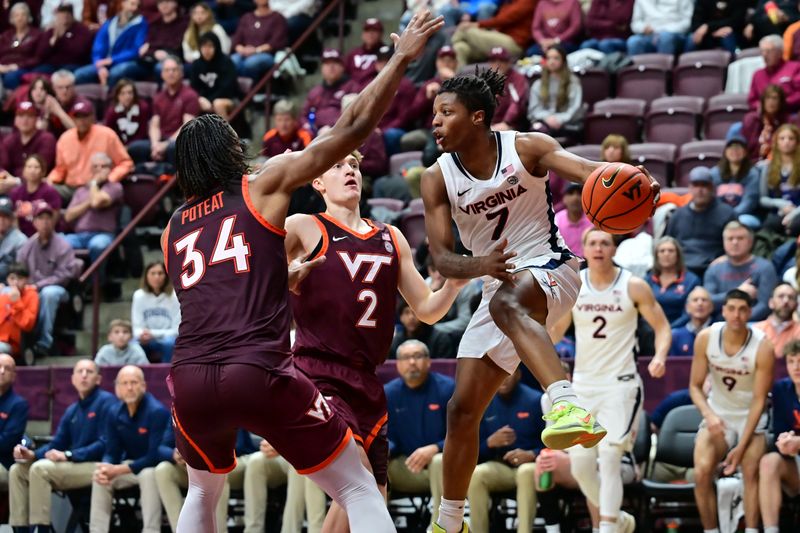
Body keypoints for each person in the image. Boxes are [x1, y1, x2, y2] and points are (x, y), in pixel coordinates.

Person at [163, 12, 442, 533]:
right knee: (359, 485)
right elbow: (352, 126)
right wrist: (400, 59)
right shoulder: (261, 187)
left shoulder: (173, 227)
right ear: (229, 152)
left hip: (190, 375)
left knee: (202, 489)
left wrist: (279, 277)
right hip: (257, 367)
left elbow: (216, 290)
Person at [421, 67, 640, 533]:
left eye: (446, 112)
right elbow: (441, 258)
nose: (435, 122)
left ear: (477, 117)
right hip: (497, 281)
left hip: (552, 269)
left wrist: (636, 184)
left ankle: (564, 402)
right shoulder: (436, 178)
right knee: (462, 411)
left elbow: (590, 173)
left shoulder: (527, 148)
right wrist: (481, 266)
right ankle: (449, 522)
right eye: (434, 114)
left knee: (506, 305)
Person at [285, 149, 466, 530]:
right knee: (359, 479)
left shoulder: (391, 236)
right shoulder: (303, 226)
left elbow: (428, 310)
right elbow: (253, 275)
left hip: (366, 378)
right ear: (317, 182)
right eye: (337, 166)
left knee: (371, 493)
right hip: (318, 372)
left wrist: (453, 284)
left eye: (354, 165)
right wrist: (281, 279)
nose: (349, 171)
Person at [551, 228, 671, 533]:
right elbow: (555, 331)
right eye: (593, 243)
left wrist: (659, 356)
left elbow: (662, 327)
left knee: (609, 456)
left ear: (614, 249)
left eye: (605, 243)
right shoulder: (575, 287)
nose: (599, 248)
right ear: (585, 250)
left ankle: (606, 527)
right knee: (580, 465)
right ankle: (618, 520)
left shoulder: (633, 285)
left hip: (621, 384)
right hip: (583, 386)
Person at [689, 289, 774, 533]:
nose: (736, 315)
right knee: (702, 471)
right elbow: (694, 387)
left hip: (751, 418)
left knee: (750, 469)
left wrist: (741, 446)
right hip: (718, 414)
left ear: (750, 312)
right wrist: (709, 415)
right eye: (732, 309)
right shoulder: (706, 337)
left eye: (742, 309)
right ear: (724, 310)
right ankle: (711, 529)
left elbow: (759, 400)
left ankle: (751, 529)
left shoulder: (763, 346)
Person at [9, 359, 115, 532]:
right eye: (80, 371)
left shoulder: (107, 402)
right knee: (18, 470)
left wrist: (69, 455)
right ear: (72, 379)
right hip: (74, 464)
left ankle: (41, 529)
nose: (84, 375)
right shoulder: (72, 409)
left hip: (98, 465)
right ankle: (20, 529)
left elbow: (105, 443)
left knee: (40, 469)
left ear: (98, 379)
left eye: (89, 372)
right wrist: (32, 455)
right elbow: (58, 442)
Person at [89, 365, 171, 533]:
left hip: (154, 467)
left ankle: (151, 530)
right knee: (101, 478)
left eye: (134, 382)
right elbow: (112, 451)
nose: (129, 387)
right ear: (117, 388)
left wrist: (119, 469)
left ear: (143, 386)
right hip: (129, 468)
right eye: (124, 383)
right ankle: (97, 530)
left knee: (148, 475)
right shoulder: (114, 412)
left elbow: (154, 456)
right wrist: (106, 466)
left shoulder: (157, 412)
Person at [467, 367, 544, 533]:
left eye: (509, 373)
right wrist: (489, 443)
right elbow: (472, 452)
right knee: (476, 474)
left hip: (533, 466)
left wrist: (532, 454)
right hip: (501, 467)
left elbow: (551, 444)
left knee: (525, 472)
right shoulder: (483, 402)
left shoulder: (535, 400)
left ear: (518, 375)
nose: (503, 378)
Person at [385, 339, 453, 528]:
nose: (412, 362)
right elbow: (388, 437)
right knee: (376, 464)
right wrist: (385, 449)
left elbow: (462, 437)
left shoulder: (448, 389)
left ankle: (439, 527)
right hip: (405, 466)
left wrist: (435, 448)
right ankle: (379, 526)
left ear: (429, 361)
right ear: (397, 364)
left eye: (417, 356)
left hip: (440, 468)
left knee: (439, 460)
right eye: (406, 358)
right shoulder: (389, 393)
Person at [155, 427, 258, 533]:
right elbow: (162, 447)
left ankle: (219, 530)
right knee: (163, 470)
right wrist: (174, 453)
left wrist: (198, 451)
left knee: (217, 472)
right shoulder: (180, 412)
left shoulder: (224, 411)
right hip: (191, 464)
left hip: (229, 461)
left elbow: (237, 445)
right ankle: (178, 530)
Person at [16, 201, 82, 360]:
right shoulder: (28, 245)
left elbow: (65, 275)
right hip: (32, 288)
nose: (45, 222)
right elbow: (19, 269)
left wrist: (37, 285)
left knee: (48, 294)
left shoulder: (62, 245)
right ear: (34, 222)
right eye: (41, 218)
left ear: (53, 221)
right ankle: (17, 343)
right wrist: (21, 285)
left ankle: (44, 343)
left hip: (59, 289)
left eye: (48, 218)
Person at [47, 98, 134, 202]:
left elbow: (126, 163)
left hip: (97, 186)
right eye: (78, 117)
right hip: (70, 188)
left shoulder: (107, 135)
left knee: (100, 197)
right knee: (45, 191)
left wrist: (110, 178)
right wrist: (50, 180)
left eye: (85, 116)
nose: (81, 121)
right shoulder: (65, 138)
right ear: (73, 119)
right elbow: (60, 169)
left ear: (92, 117)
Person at [127, 56, 199, 171]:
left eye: (174, 70)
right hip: (161, 140)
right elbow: (154, 125)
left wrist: (165, 145)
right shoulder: (158, 97)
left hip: (180, 141)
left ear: (181, 73)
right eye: (167, 70)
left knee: (173, 148)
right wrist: (155, 145)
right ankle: (145, 177)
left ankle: (172, 179)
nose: (171, 73)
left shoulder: (190, 95)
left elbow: (187, 126)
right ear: (162, 74)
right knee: (135, 148)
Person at [758, 339, 800, 533]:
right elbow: (779, 431)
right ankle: (771, 530)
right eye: (791, 361)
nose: (796, 367)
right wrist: (784, 443)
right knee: (769, 462)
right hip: (794, 463)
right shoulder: (781, 390)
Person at [665, 166, 736, 278]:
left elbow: (736, 244)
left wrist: (726, 257)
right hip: (682, 270)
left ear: (712, 188)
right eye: (696, 185)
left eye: (704, 185)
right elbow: (668, 243)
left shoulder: (727, 213)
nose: (700, 190)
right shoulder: (677, 215)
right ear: (689, 188)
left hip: (715, 269)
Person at [703, 220, 779, 322]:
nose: (735, 242)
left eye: (740, 238)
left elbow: (765, 306)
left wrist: (738, 320)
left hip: (753, 324)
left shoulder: (765, 267)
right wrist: (739, 291)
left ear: (750, 242)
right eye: (730, 239)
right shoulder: (714, 268)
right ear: (724, 242)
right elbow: (708, 302)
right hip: (720, 323)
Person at [63, 152, 123, 265]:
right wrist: (88, 202)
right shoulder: (81, 190)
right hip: (79, 236)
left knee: (98, 245)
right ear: (91, 169)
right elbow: (68, 216)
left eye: (103, 166)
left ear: (110, 169)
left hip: (102, 234)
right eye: (95, 166)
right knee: (60, 243)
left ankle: (97, 281)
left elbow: (96, 203)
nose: (99, 169)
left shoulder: (115, 187)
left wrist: (94, 183)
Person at [73, 0, 149, 87]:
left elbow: (136, 50)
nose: (135, 8)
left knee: (116, 73)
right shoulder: (110, 22)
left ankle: (110, 98)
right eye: (132, 4)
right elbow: (98, 46)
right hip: (104, 62)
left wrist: (112, 60)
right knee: (78, 75)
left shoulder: (141, 24)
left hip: (127, 62)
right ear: (123, 3)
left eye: (137, 5)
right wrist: (100, 67)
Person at [450, 0, 535, 66]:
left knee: (464, 29)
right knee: (460, 48)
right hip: (500, 37)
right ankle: (455, 84)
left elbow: (505, 19)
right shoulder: (509, 2)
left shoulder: (527, 1)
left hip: (514, 44)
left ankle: (445, 53)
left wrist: (477, 24)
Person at [526, 45, 583, 138]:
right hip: (544, 123)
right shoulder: (538, 84)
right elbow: (533, 110)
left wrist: (559, 119)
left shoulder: (573, 82)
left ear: (563, 61)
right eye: (549, 58)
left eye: (556, 58)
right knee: (536, 131)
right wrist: (547, 118)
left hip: (567, 124)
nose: (552, 62)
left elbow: (575, 108)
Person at [646, 236, 701, 327]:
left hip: (680, 328)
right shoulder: (648, 280)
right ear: (656, 255)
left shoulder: (691, 280)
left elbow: (689, 313)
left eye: (671, 251)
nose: (666, 254)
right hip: (651, 329)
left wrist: (669, 329)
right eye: (662, 251)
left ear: (678, 255)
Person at [132, 261, 180, 363]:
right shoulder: (139, 296)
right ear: (146, 276)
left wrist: (152, 334)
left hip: (168, 338)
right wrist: (142, 335)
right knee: (133, 345)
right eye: (153, 273)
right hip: (146, 338)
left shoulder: (174, 296)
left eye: (160, 273)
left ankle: (166, 375)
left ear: (166, 276)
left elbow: (176, 330)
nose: (156, 277)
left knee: (169, 344)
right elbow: (136, 328)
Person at [2, 102, 57, 187]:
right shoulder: (8, 140)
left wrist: (16, 181)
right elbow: (2, 166)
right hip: (9, 185)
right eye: (20, 116)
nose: (25, 120)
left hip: (39, 186)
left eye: (29, 116)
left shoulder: (47, 139)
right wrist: (3, 178)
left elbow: (40, 169)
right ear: (15, 119)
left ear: (36, 119)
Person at [230, 0, 287, 81]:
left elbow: (275, 42)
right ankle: (238, 88)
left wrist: (256, 50)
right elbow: (237, 40)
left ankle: (251, 87)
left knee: (251, 63)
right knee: (233, 61)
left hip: (266, 53)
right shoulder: (247, 17)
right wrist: (242, 50)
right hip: (244, 52)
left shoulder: (277, 18)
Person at [759, 123, 800, 235]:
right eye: (782, 138)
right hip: (777, 212)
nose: (786, 142)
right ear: (776, 142)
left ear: (797, 142)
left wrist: (793, 213)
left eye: (791, 138)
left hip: (798, 212)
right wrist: (781, 204)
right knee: (769, 225)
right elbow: (762, 199)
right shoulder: (767, 167)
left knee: (796, 224)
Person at [190, 32, 239, 123]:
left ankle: (224, 136)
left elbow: (227, 88)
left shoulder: (226, 62)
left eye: (210, 46)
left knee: (218, 103)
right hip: (205, 100)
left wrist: (209, 100)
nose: (207, 50)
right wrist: (201, 98)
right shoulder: (196, 64)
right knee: (192, 101)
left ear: (216, 47)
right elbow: (193, 88)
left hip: (229, 98)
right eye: (203, 46)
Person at [9, 155, 61, 237]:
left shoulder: (50, 192)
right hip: (21, 237)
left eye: (36, 167)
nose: (32, 170)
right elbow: (13, 218)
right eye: (29, 167)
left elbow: (54, 218)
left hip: (44, 235)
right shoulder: (16, 192)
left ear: (43, 171)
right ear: (24, 171)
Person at [710, 133, 761, 217]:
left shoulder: (752, 174)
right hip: (718, 215)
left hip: (744, 215)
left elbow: (750, 200)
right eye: (731, 147)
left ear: (745, 152)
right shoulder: (714, 172)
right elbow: (711, 197)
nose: (735, 151)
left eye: (738, 147)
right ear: (725, 152)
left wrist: (731, 215)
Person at [748, 34, 800, 113]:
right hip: (764, 115)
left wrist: (780, 104)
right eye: (762, 51)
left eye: (769, 51)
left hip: (789, 113)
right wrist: (762, 105)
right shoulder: (758, 74)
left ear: (780, 52)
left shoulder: (795, 68)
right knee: (749, 119)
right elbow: (752, 100)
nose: (764, 55)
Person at [0, 3, 45, 90]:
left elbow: (38, 58)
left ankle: (14, 100)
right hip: (2, 67)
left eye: (23, 15)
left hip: (22, 68)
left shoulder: (37, 34)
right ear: (12, 19)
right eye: (16, 15)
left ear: (29, 17)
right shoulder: (6, 35)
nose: (20, 18)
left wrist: (17, 66)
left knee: (11, 77)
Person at [38, 3, 92, 72]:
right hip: (51, 65)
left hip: (72, 64)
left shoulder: (82, 30)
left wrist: (62, 38)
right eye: (61, 14)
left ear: (72, 16)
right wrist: (53, 41)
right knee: (38, 71)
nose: (64, 17)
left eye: (67, 14)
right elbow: (40, 54)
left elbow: (79, 52)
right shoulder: (51, 30)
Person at [0, 353, 28, 486]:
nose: (2, 371)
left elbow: (6, 443)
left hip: (4, 464)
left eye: (7, 368)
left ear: (14, 376)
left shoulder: (19, 404)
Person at [626, 0, 693, 55]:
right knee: (633, 41)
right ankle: (638, 71)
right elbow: (635, 23)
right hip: (650, 35)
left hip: (675, 33)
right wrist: (643, 28)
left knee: (665, 37)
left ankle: (664, 70)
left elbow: (688, 22)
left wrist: (664, 30)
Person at [0, 262, 39, 358]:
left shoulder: (32, 295)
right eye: (12, 279)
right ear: (7, 280)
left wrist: (16, 302)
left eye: (20, 278)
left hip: (14, 344)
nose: (16, 282)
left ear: (26, 280)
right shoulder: (3, 295)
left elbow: (27, 325)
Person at [139, 0, 187, 76]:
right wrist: (154, 52)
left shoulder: (184, 23)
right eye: (160, 2)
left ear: (175, 3)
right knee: (124, 69)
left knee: (160, 68)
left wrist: (153, 47)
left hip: (174, 58)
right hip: (152, 58)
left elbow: (176, 46)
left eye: (167, 1)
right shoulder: (154, 24)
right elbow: (144, 50)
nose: (164, 4)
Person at [742, 84, 788, 161]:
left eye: (775, 98)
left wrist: (769, 146)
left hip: (776, 161)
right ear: (763, 101)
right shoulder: (751, 119)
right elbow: (747, 145)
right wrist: (760, 148)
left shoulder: (785, 121)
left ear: (781, 102)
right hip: (751, 161)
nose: (771, 102)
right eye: (768, 98)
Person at [755, 282, 800, 359]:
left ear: (796, 305)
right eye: (781, 296)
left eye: (791, 297)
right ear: (771, 303)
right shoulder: (757, 329)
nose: (786, 301)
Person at [103, 78, 151, 146]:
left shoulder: (143, 108)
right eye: (123, 93)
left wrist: (128, 147)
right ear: (117, 96)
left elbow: (142, 133)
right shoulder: (112, 111)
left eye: (130, 93)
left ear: (134, 94)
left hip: (138, 145)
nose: (127, 97)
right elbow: (109, 133)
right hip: (118, 146)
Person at [670, 286, 714, 356]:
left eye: (704, 300)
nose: (700, 303)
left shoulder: (719, 333)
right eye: (695, 300)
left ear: (711, 307)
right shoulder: (675, 336)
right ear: (687, 307)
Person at [553, 183, 592, 258]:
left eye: (580, 193)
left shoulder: (593, 221)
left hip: (589, 262)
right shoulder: (556, 220)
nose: (575, 198)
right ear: (564, 198)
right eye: (570, 193)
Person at [345, 18, 385, 86]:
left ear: (381, 34)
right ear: (362, 34)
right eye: (367, 30)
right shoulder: (353, 54)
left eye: (374, 30)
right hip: (352, 92)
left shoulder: (387, 53)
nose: (370, 34)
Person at [0, 198, 28, 282]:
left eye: (5, 216)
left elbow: (20, 272)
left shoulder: (20, 240)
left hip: (9, 286)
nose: (1, 220)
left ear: (12, 219)